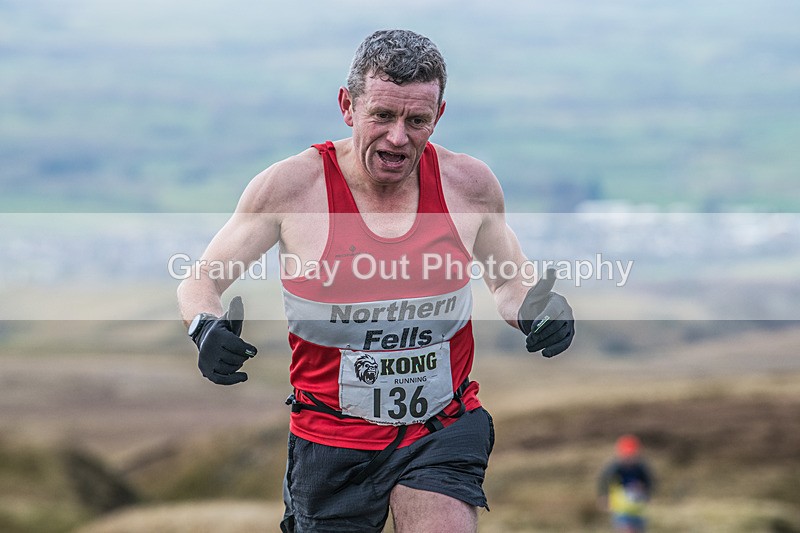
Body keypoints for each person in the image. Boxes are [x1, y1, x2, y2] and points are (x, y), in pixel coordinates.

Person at [177, 29, 575, 533]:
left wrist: (541, 313)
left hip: (439, 428)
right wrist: (204, 328)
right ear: (348, 105)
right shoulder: (293, 188)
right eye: (382, 116)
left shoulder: (468, 186)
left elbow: (510, 282)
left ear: (439, 116)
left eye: (417, 120)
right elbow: (201, 279)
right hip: (330, 441)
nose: (398, 137)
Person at [597, 434, 655, 533]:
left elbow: (649, 482)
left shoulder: (641, 468)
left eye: (632, 453)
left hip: (638, 509)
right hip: (621, 510)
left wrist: (646, 493)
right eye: (627, 454)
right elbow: (604, 481)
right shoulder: (614, 468)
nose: (629, 457)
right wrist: (604, 497)